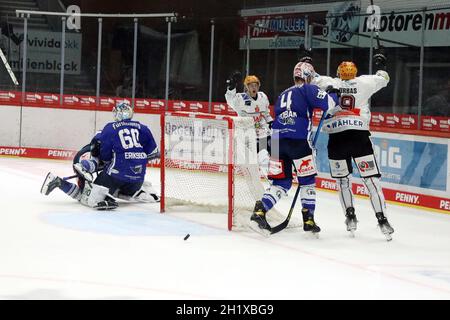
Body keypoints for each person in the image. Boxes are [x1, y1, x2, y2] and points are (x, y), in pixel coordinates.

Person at [300, 46, 395, 239]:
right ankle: (382, 219)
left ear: (339, 73)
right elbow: (384, 78)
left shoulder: (330, 82)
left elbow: (309, 75)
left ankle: (350, 216)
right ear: (355, 73)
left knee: (343, 181)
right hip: (359, 137)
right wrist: (381, 62)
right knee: (371, 180)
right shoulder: (364, 82)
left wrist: (306, 59)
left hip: (337, 139)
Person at [250, 62, 339, 235]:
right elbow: (329, 105)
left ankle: (259, 212)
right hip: (297, 140)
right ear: (307, 76)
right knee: (307, 181)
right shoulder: (308, 89)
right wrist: (334, 93)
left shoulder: (283, 94)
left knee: (281, 183)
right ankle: (308, 219)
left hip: (276, 141)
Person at [41, 102, 160, 209]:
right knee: (122, 183)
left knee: (87, 197)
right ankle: (137, 192)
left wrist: (109, 161)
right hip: (137, 179)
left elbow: (105, 156)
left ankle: (60, 182)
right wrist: (135, 157)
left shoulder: (110, 128)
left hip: (115, 176)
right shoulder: (143, 128)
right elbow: (154, 153)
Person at [225, 72, 273, 172]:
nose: (254, 87)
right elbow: (229, 100)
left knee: (273, 159)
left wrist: (271, 123)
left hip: (263, 133)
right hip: (248, 135)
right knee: (260, 160)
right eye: (251, 85)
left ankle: (273, 181)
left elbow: (266, 114)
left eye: (256, 85)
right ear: (247, 87)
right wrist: (231, 87)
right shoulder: (241, 98)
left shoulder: (263, 97)